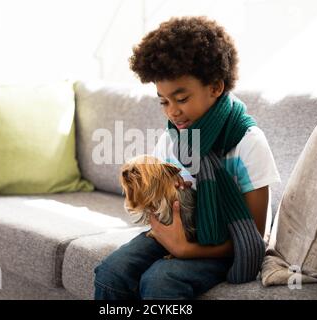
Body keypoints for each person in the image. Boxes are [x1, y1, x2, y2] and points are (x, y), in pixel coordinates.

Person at [94, 16, 281, 300]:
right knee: (112, 271)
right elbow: (157, 211)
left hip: (224, 247)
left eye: (181, 99)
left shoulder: (247, 142)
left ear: (216, 87)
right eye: (163, 101)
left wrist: (186, 250)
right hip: (174, 235)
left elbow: (254, 238)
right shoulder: (172, 140)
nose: (172, 112)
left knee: (160, 281)